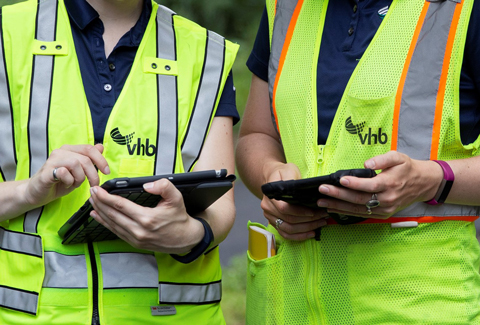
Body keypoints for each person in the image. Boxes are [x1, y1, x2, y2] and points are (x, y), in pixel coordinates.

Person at [236, 0, 480, 323]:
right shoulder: (285, 7)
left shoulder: (464, 9)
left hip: (419, 309)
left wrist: (431, 178)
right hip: (290, 310)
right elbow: (255, 136)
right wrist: (271, 175)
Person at [0, 0, 238, 324]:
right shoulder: (7, 34)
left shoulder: (207, 54)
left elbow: (221, 206)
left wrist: (189, 234)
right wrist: (29, 191)